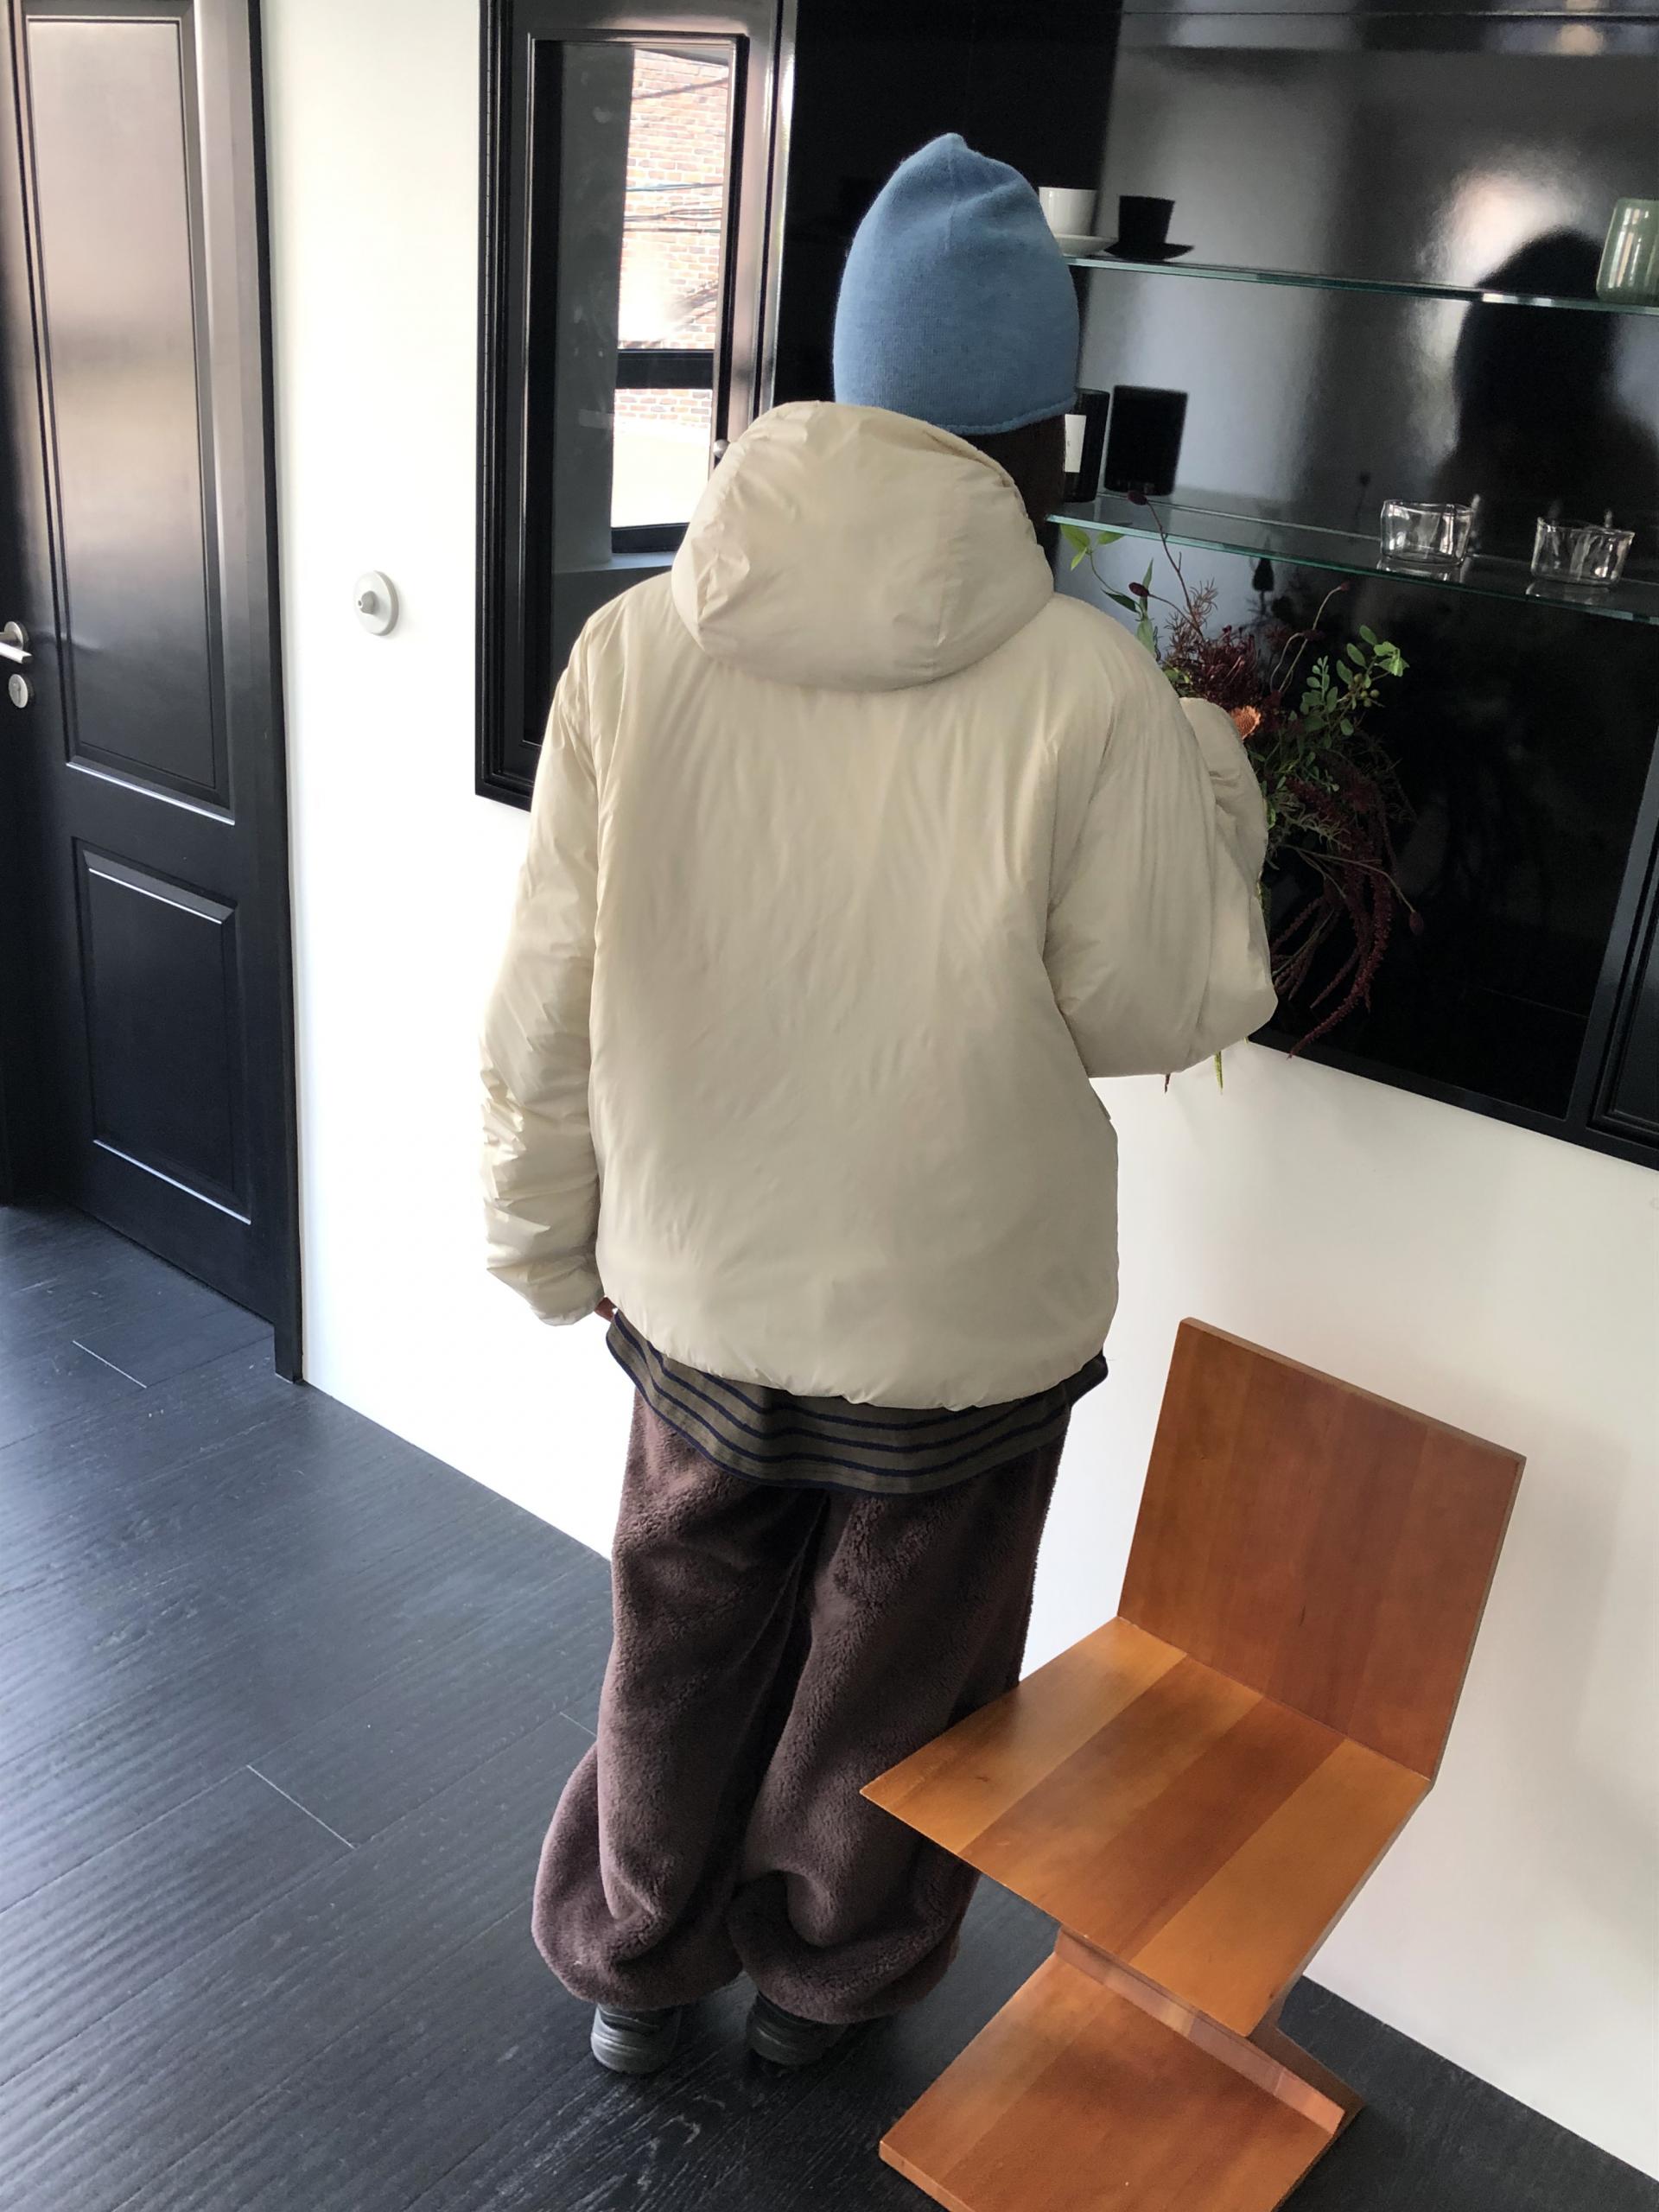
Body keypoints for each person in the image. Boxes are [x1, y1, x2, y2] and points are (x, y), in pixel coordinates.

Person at [480, 134, 1276, 2079]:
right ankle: (823, 1991)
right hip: (961, 1319)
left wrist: (540, 1233)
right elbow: (1162, 1006)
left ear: (845, 375)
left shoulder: (636, 646)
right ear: (1037, 421)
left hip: (698, 1285)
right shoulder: (1091, 689)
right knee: (896, 1680)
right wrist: (1207, 772)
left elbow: (546, 994)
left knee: (677, 1635)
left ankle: (636, 1962)